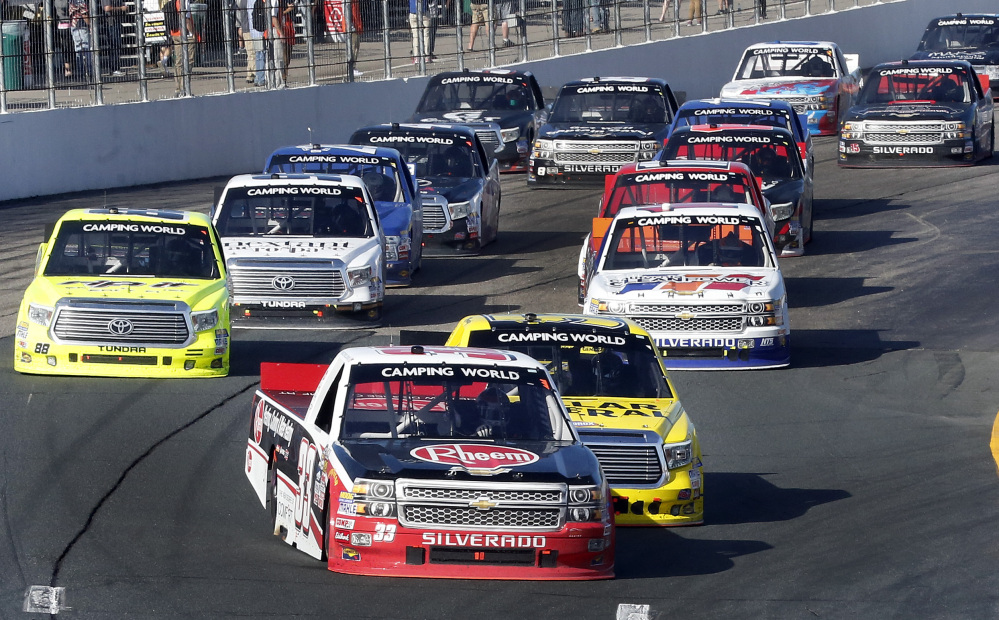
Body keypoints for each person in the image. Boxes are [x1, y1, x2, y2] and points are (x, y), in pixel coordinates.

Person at [236, 0, 265, 86]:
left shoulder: (242, 2)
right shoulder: (247, 2)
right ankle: (254, 74)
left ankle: (250, 74)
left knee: (251, 53)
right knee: (252, 53)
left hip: (247, 28)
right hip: (249, 29)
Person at [271, 0, 295, 87]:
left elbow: (292, 6)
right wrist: (287, 10)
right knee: (280, 58)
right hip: (281, 29)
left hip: (288, 28)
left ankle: (284, 79)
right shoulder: (276, 3)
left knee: (286, 58)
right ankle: (281, 80)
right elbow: (274, 15)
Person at [67, 0, 92, 80]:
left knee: (78, 50)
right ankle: (88, 72)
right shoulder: (80, 1)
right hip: (82, 26)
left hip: (74, 25)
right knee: (86, 50)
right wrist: (91, 25)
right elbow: (84, 13)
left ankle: (81, 72)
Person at [101, 0, 127, 76]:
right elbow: (107, 8)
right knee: (114, 46)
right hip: (111, 23)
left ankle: (115, 68)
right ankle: (114, 69)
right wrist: (121, 8)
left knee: (116, 46)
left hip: (115, 22)